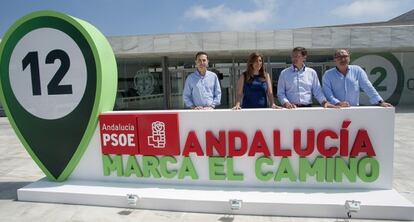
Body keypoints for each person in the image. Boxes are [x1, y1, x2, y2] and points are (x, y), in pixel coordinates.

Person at [322, 49, 393, 107]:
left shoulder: (357, 70)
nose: (343, 59)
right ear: (335, 59)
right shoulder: (328, 74)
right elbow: (328, 94)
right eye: (339, 57)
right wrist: (338, 103)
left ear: (349, 58)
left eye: (345, 56)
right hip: (336, 108)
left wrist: (380, 102)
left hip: (354, 109)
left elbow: (367, 87)